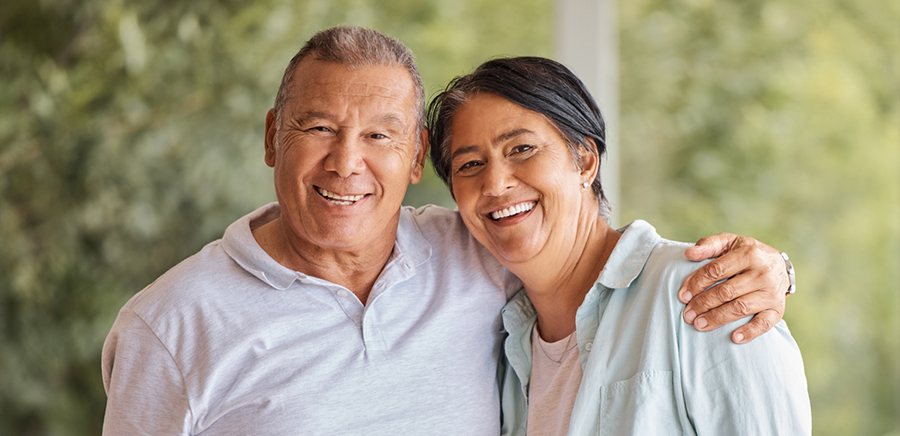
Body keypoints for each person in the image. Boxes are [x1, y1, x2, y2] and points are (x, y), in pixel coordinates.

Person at [101, 26, 795, 435]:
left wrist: (775, 270)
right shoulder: (166, 327)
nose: (347, 162)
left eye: (379, 134)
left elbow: (590, 249)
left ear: (410, 160)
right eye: (317, 128)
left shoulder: (475, 255)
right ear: (271, 137)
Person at [427, 56, 810, 436]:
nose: (494, 184)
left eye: (522, 149)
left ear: (585, 160)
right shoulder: (504, 351)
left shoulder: (707, 295)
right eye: (471, 165)